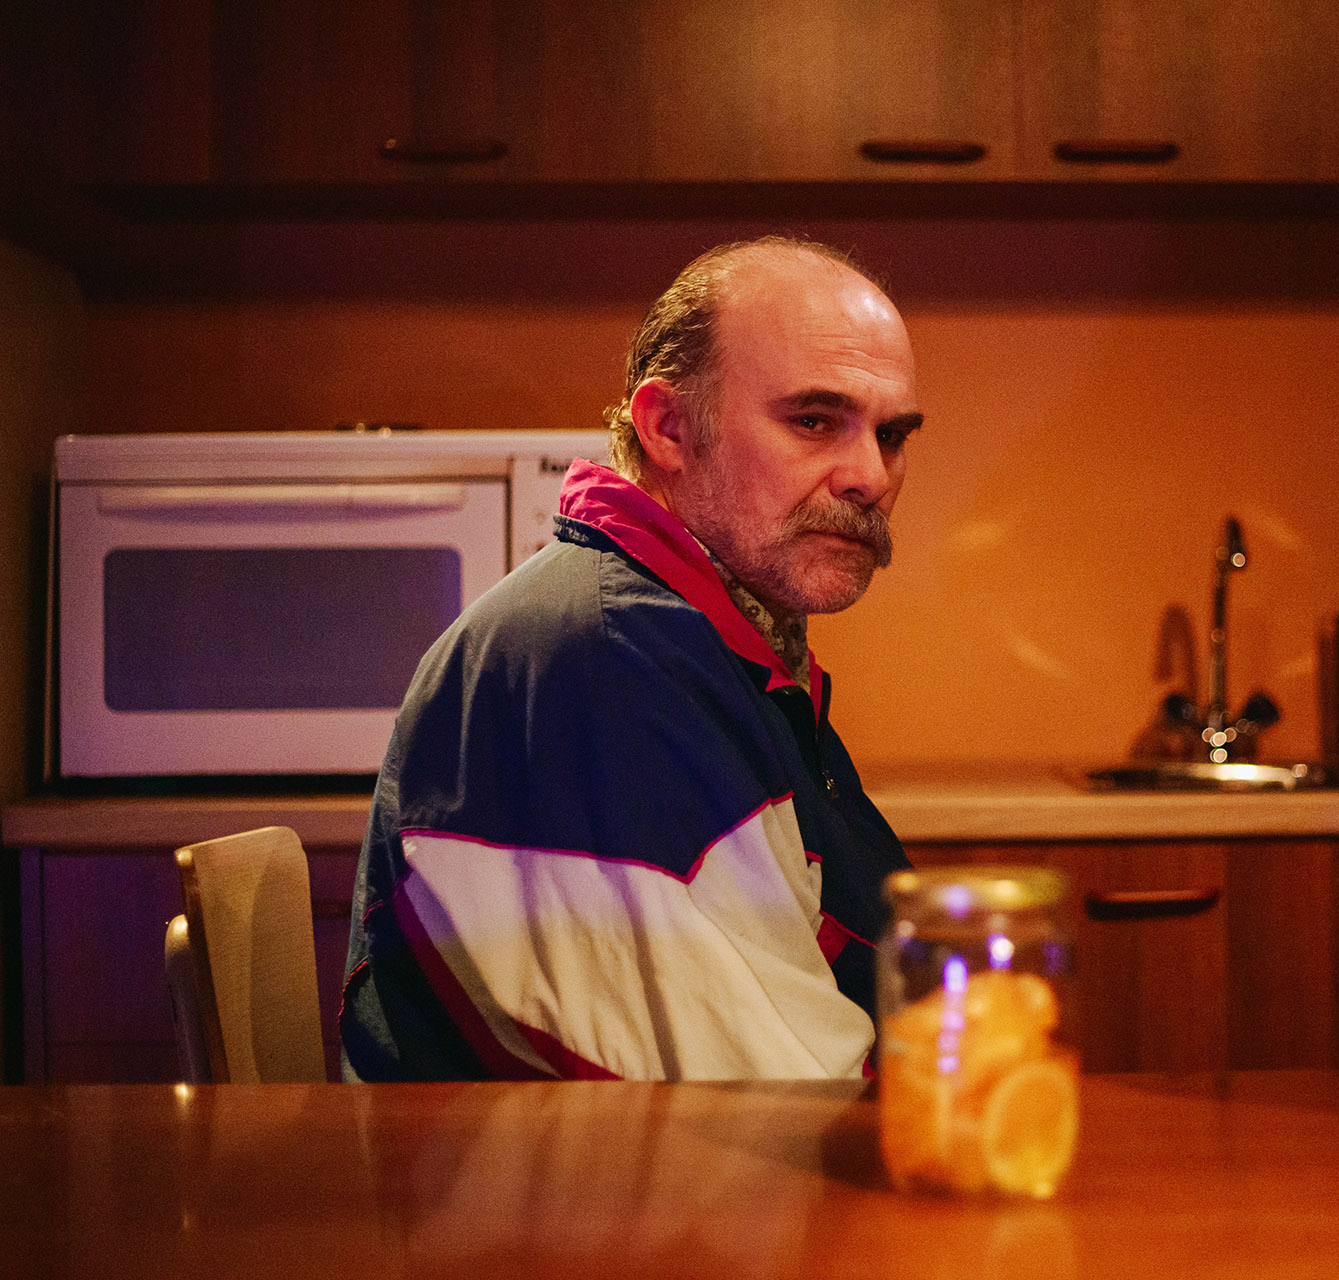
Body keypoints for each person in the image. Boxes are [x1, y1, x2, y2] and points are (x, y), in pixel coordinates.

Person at [339, 237, 920, 1081]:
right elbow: (768, 1103)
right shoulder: (611, 663)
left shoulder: (714, 644)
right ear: (669, 428)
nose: (870, 474)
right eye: (814, 421)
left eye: (892, 434)